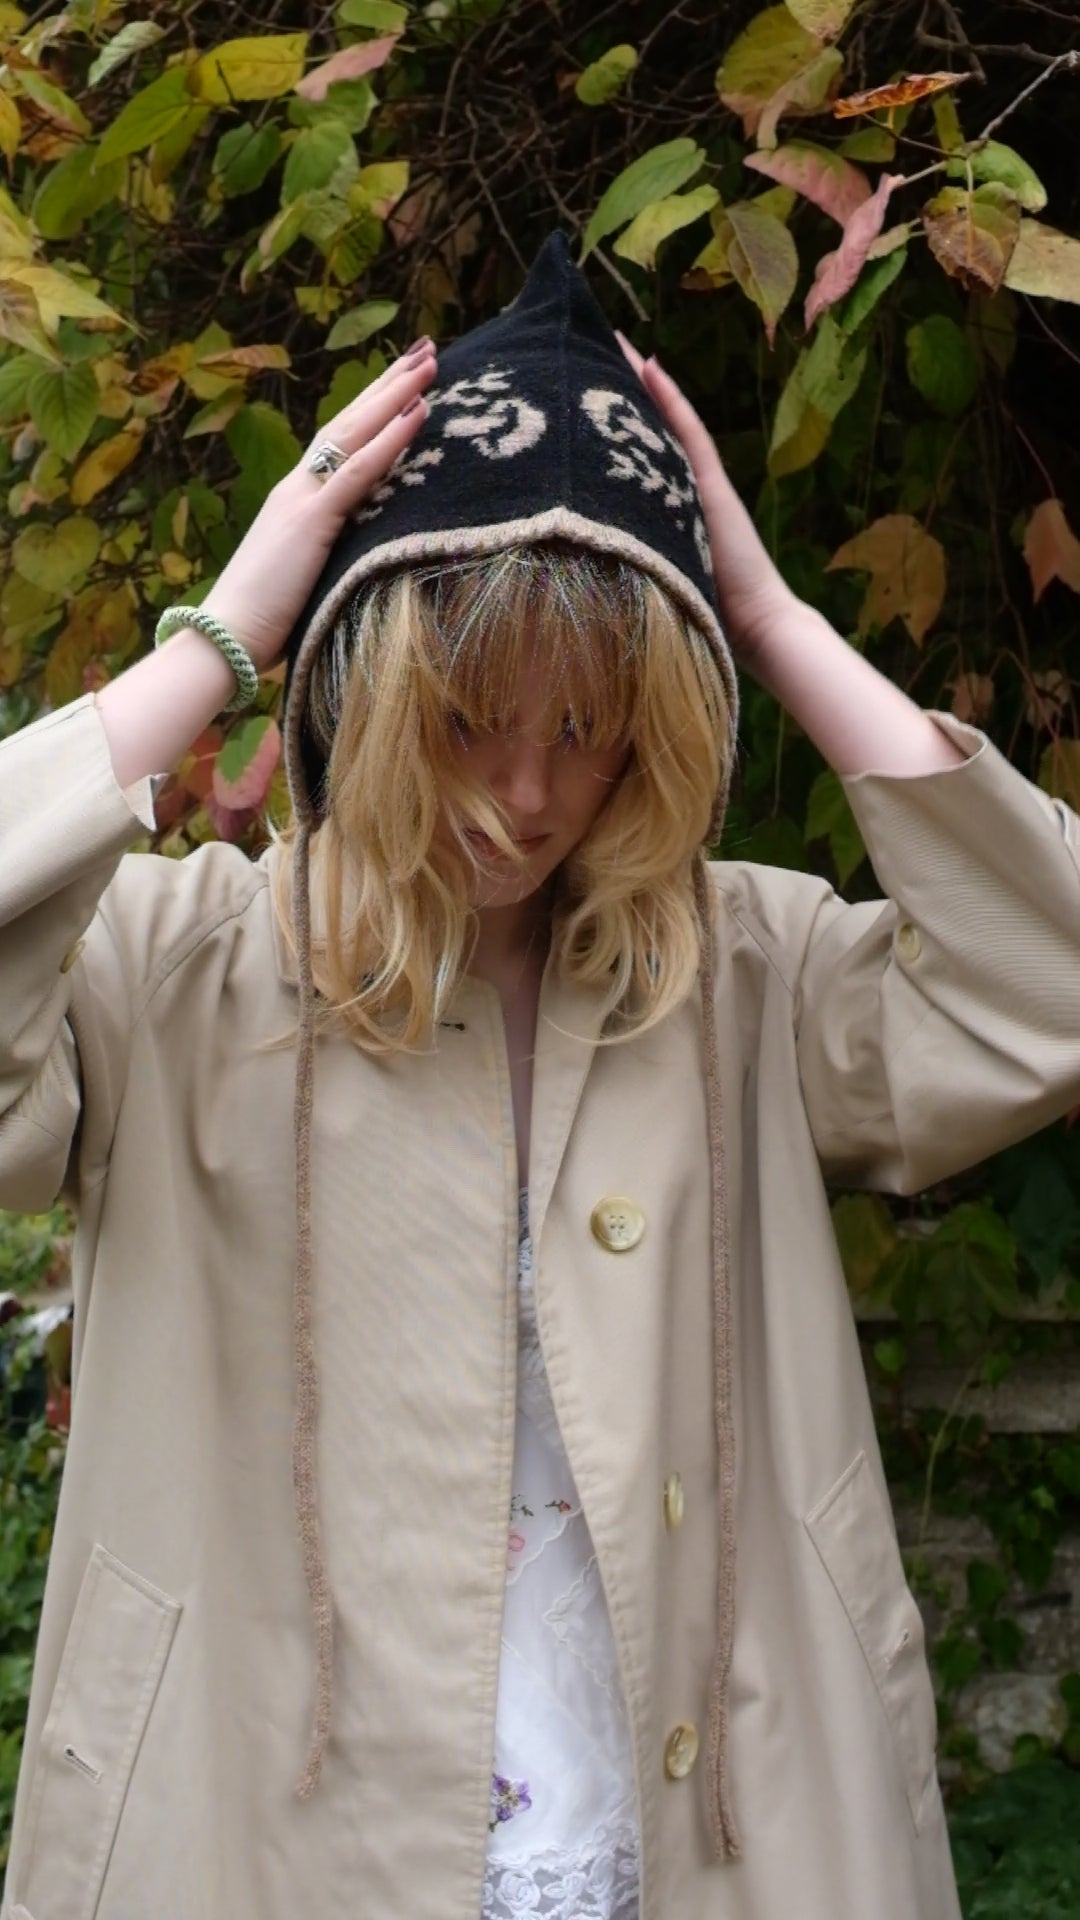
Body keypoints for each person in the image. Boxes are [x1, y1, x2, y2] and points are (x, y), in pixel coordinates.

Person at [0, 230, 1077, 1920]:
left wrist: (764, 612)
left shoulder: (745, 973)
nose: (525, 791)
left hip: (701, 1831)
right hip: (261, 1834)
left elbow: (1052, 980)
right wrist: (223, 637)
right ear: (368, 684)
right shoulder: (175, 971)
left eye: (585, 727)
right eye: (469, 718)